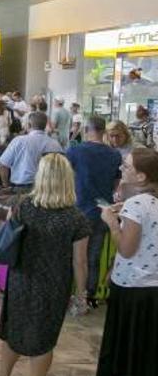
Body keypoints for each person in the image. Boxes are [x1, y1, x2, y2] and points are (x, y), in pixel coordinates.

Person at [0, 153, 90, 376]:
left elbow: (10, 238)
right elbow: (80, 262)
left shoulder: (23, 207)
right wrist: (81, 293)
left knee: (14, 329)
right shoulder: (77, 219)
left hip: (22, 277)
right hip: (55, 285)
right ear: (68, 180)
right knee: (45, 338)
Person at [74, 148, 158, 376]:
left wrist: (112, 223)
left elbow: (126, 248)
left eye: (127, 166)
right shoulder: (150, 203)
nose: (122, 168)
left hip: (131, 287)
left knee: (117, 342)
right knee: (144, 347)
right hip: (151, 288)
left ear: (142, 175)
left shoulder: (135, 205)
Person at [66, 116, 122, 307]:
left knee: (75, 256)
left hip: (79, 209)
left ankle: (74, 293)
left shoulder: (75, 151)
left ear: (86, 129)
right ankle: (90, 296)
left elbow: (65, 177)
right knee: (94, 256)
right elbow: (116, 183)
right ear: (104, 131)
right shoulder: (114, 155)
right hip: (103, 211)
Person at [0, 112, 63, 189]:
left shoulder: (19, 141)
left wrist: (6, 186)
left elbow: (3, 165)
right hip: (47, 189)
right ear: (45, 126)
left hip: (21, 188)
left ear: (29, 125)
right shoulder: (55, 144)